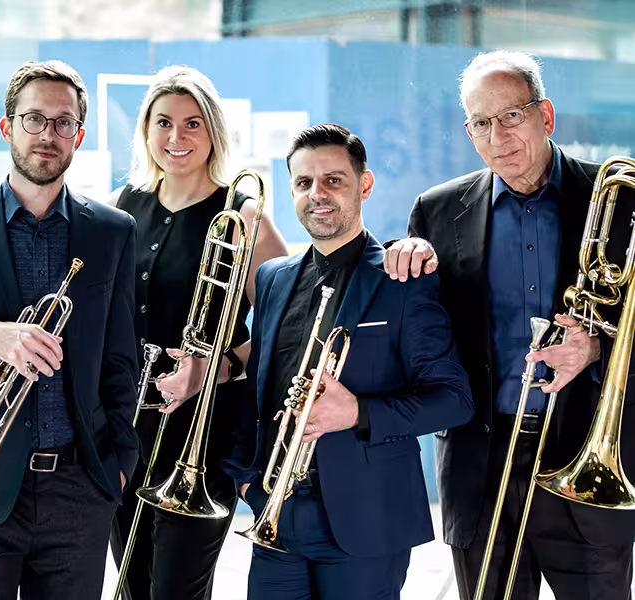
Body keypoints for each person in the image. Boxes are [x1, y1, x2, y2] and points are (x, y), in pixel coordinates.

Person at [384, 50, 635, 599]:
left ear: (546, 115)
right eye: (480, 122)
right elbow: (420, 338)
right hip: (483, 466)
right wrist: (404, 267)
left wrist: (597, 349)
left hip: (587, 461)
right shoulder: (435, 210)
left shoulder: (621, 201)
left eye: (512, 116)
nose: (497, 135)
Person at [0, 59, 139, 600]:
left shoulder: (113, 232)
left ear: (79, 136)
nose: (48, 135)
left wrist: (119, 466)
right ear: (7, 127)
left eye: (63, 123)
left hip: (80, 488)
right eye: (34, 119)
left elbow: (122, 360)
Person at [225, 123, 474, 600]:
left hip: (367, 519)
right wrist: (246, 480)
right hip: (273, 514)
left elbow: (453, 401)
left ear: (365, 184)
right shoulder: (273, 278)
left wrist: (357, 412)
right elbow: (259, 385)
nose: (317, 194)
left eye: (333, 180)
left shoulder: (404, 279)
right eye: (303, 183)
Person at [108, 65, 288, 600]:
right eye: (163, 123)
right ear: (145, 130)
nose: (176, 138)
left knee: (177, 590)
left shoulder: (242, 212)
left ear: (213, 132)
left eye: (192, 124)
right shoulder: (125, 205)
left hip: (204, 434)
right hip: (127, 428)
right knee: (131, 584)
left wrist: (218, 366)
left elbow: (286, 329)